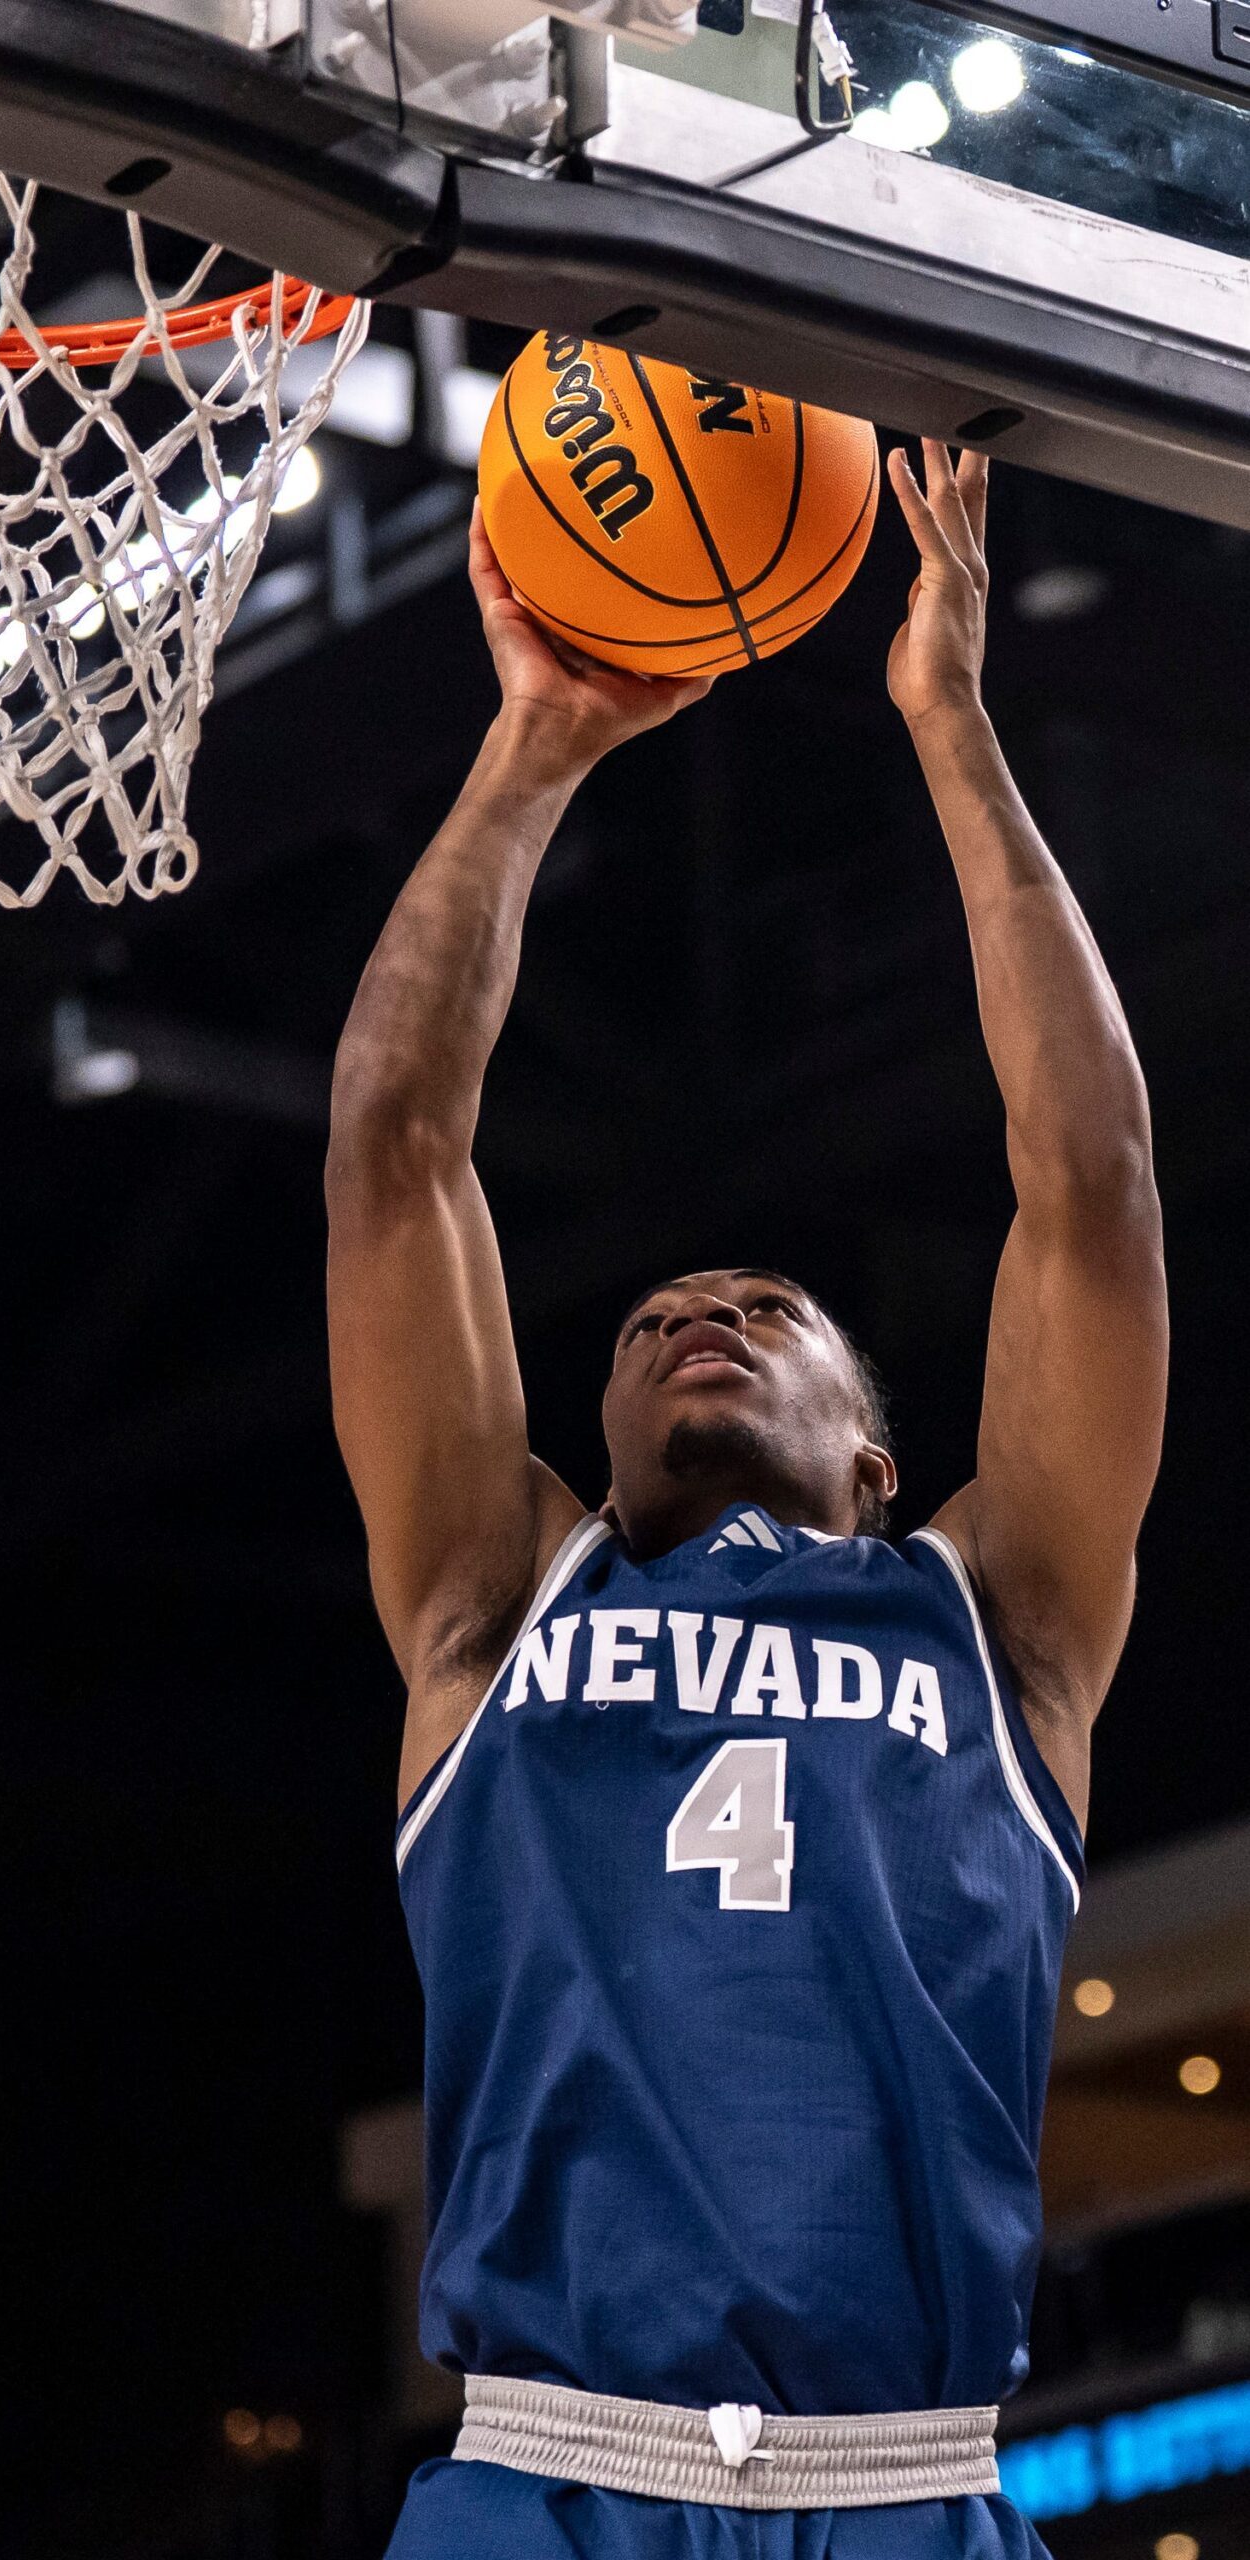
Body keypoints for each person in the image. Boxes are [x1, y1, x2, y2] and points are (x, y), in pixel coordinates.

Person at [323, 442, 1167, 2560]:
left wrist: (956, 733)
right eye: (651, 1320)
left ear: (888, 1459)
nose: (693, 1309)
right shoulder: (494, 1593)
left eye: (762, 1305)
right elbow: (393, 1153)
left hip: (905, 2482)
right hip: (547, 2471)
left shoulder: (1002, 1617)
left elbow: (1088, 1188)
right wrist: (528, 756)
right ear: (587, 1441)